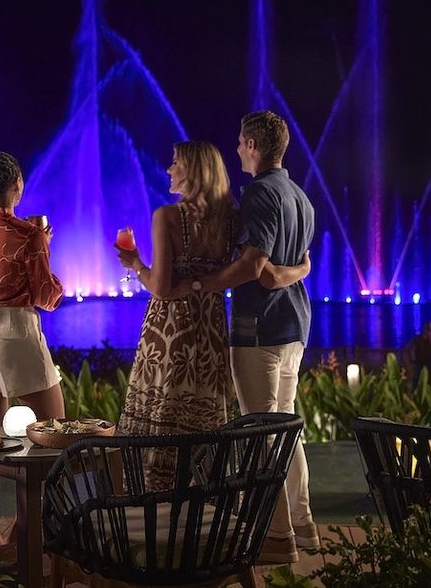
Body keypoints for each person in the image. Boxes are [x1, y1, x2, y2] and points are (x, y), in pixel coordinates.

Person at [115, 141, 308, 492]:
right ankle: (198, 505)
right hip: (210, 330)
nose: (169, 169)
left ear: (192, 171)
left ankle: (154, 505)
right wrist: (301, 268)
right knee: (202, 420)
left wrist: (135, 265)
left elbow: (161, 287)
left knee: (161, 414)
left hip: (168, 331)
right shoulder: (232, 221)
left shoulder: (166, 217)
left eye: (175, 163)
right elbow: (259, 271)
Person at [194, 111, 318, 563]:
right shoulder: (301, 197)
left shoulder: (261, 194)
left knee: (261, 430)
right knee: (285, 427)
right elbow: (295, 264)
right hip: (294, 326)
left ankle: (276, 536)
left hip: (259, 329)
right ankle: (303, 525)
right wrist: (296, 271)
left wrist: (199, 285)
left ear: (251, 144)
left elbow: (254, 268)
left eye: (240, 142)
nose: (237, 149)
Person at [0, 151, 65, 547]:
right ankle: (30, 531)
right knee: (54, 430)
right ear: (16, 185)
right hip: (16, 331)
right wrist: (45, 250)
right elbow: (44, 295)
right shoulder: (30, 232)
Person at [405, 322, 431, 389]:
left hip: (426, 364)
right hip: (422, 363)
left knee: (422, 381)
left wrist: (411, 359)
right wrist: (411, 359)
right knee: (419, 381)